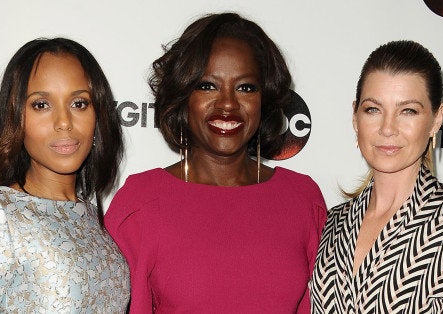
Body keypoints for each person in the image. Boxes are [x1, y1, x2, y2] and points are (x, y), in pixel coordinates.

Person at [105, 12, 327, 313]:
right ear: (184, 96)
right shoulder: (141, 203)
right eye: (208, 85)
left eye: (246, 87)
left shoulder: (303, 199)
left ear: (265, 98)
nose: (227, 104)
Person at [309, 40, 443, 313]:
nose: (388, 128)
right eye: (373, 109)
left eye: (408, 111)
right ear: (355, 116)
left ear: (436, 119)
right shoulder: (334, 223)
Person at [0, 38, 130, 313]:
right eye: (41, 105)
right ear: (16, 117)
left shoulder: (93, 220)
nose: (64, 122)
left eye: (79, 103)